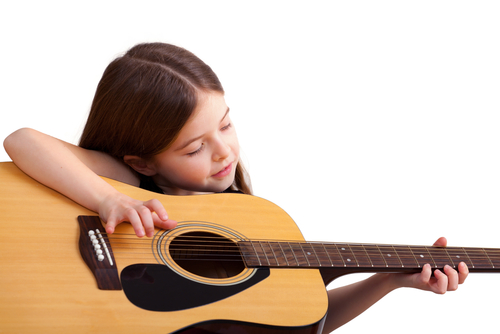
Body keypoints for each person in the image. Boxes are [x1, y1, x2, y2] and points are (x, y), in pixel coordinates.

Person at [3, 42, 468, 333]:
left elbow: (297, 319)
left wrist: (386, 279)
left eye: (226, 126)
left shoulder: (241, 217)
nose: (224, 152)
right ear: (142, 159)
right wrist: (108, 198)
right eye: (194, 149)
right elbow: (22, 140)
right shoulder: (129, 182)